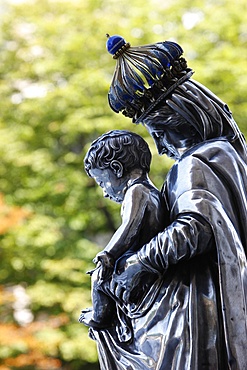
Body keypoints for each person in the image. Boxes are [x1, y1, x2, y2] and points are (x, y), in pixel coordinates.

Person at [84, 35, 247, 370]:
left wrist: (138, 264)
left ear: (181, 115)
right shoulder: (226, 154)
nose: (158, 147)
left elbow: (195, 229)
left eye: (157, 130)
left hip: (199, 321)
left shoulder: (196, 162)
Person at [79, 130, 167, 329]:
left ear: (117, 169)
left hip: (137, 261)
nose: (104, 192)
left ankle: (100, 318)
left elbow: (129, 228)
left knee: (98, 277)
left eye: (102, 182)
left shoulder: (137, 191)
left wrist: (108, 253)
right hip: (142, 259)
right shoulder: (147, 191)